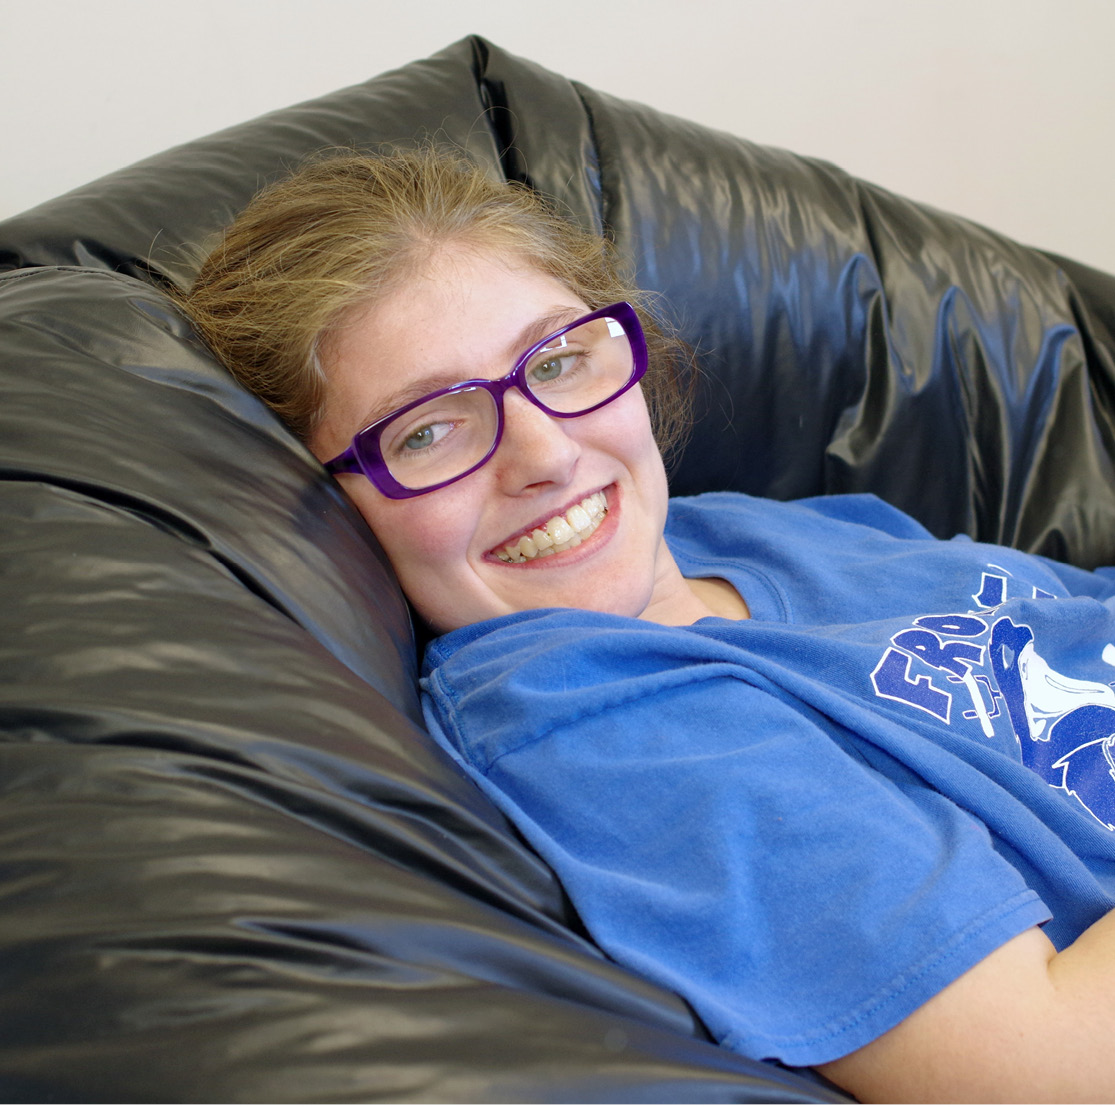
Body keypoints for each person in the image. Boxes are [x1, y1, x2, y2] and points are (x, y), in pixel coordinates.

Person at [181, 147, 1115, 1103]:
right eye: (427, 429)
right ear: (324, 510)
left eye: (557, 359)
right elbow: (1046, 1069)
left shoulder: (742, 529)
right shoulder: (604, 724)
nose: (544, 451)